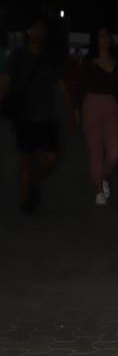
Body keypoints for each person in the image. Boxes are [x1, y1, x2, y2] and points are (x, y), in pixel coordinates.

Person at [0, 16, 68, 213]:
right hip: (25, 115)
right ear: (28, 31)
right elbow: (6, 80)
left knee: (50, 158)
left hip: (47, 116)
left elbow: (61, 84)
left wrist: (71, 110)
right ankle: (25, 200)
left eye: (42, 29)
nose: (39, 32)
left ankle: (34, 180)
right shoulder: (18, 55)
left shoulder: (49, 58)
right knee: (26, 159)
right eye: (35, 28)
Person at [78, 27, 118, 206]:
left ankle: (100, 177)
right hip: (92, 104)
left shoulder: (116, 62)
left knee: (114, 154)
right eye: (101, 36)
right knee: (95, 150)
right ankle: (98, 190)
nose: (105, 39)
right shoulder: (88, 62)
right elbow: (80, 86)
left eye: (107, 35)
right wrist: (75, 110)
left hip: (111, 105)